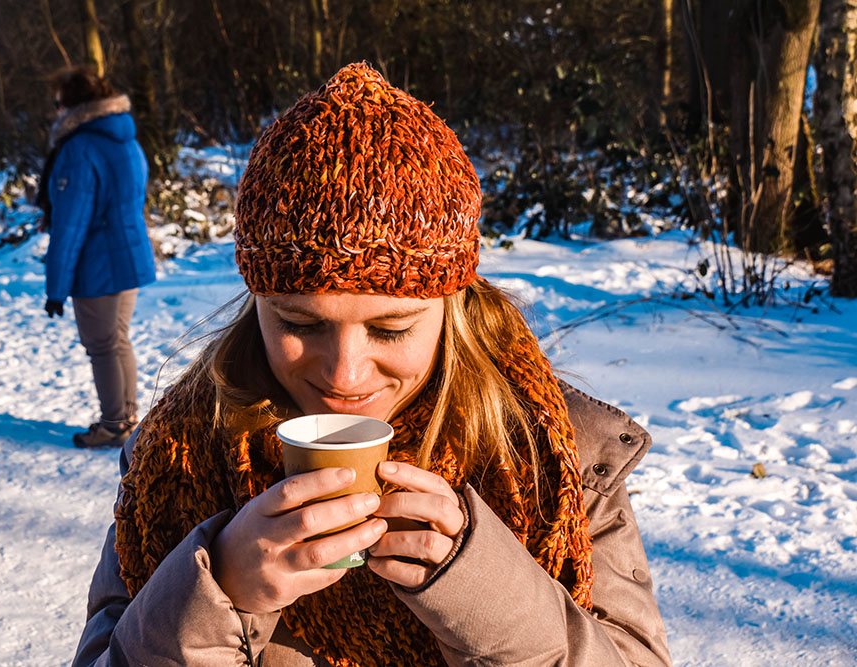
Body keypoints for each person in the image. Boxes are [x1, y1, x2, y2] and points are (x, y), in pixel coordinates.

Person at [72, 63, 672, 666]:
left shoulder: (554, 454)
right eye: (300, 325)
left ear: (451, 305)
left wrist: (487, 592)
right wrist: (217, 591)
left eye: (391, 329)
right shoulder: (174, 458)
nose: (344, 375)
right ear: (256, 303)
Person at [37, 67, 156, 449]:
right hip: (129, 255)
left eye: (58, 103)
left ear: (73, 105)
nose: (54, 111)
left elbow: (69, 225)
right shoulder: (126, 140)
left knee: (102, 345)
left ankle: (113, 425)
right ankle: (126, 417)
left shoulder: (78, 148)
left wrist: (56, 289)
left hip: (98, 265)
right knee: (117, 340)